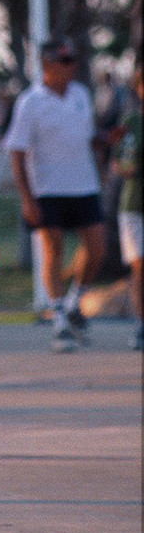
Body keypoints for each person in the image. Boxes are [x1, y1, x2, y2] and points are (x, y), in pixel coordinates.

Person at [6, 37, 105, 352]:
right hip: (47, 189)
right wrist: (27, 198)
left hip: (84, 184)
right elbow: (17, 151)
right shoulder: (30, 101)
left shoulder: (81, 95)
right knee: (54, 249)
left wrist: (105, 140)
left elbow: (86, 138)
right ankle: (60, 320)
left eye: (73, 59)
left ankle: (75, 302)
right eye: (65, 60)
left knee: (97, 248)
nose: (71, 65)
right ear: (48, 65)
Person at [114, 67, 143, 351]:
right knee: (139, 265)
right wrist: (126, 167)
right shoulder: (132, 123)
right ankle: (140, 323)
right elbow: (117, 161)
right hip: (134, 205)